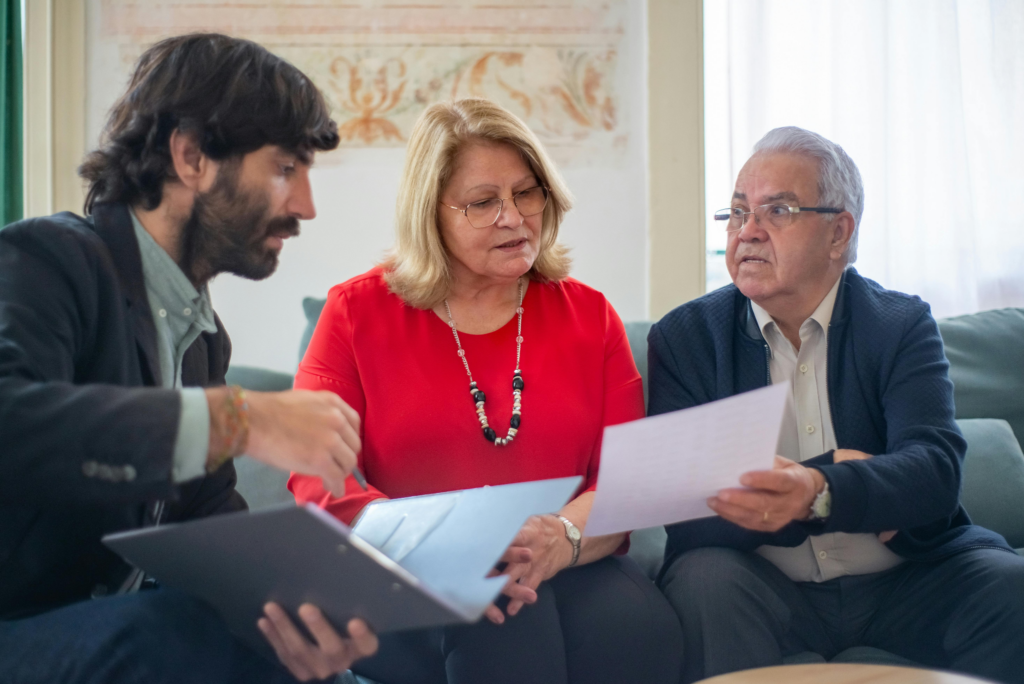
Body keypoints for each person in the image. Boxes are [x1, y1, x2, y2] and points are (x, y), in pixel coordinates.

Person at [0, 34, 379, 684]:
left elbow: (208, 524)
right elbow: (11, 422)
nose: (306, 207)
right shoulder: (47, 259)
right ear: (191, 156)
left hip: (110, 632)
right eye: (286, 168)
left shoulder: (202, 339)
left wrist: (296, 618)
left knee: (300, 667)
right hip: (19, 623)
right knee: (171, 631)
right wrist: (239, 420)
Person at [288, 98, 684, 684]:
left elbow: (627, 483)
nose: (513, 217)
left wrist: (562, 538)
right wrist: (446, 548)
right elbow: (320, 481)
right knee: (501, 615)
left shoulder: (589, 316)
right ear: (431, 213)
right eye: (483, 202)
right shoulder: (355, 313)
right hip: (406, 577)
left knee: (634, 626)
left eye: (527, 193)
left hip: (567, 563)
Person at [650, 126, 1024, 684]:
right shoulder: (685, 339)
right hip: (761, 584)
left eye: (777, 211)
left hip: (909, 579)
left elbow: (934, 472)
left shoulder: (899, 325)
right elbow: (685, 514)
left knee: (1010, 586)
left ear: (838, 233)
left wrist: (816, 494)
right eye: (736, 212)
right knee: (703, 582)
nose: (747, 232)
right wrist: (838, 481)